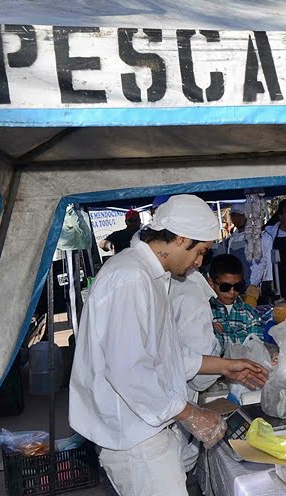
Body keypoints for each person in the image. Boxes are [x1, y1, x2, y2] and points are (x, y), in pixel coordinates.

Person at [69, 195, 269, 496]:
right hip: (135, 435)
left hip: (149, 428)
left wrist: (226, 366)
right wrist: (191, 413)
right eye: (199, 252)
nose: (199, 263)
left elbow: (167, 355)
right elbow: (128, 370)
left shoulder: (151, 275)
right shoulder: (130, 278)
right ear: (180, 238)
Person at [169, 268, 222, 475]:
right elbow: (201, 379)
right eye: (201, 251)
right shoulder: (189, 292)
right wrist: (222, 361)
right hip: (160, 431)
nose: (200, 261)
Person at [210, 254, 265, 354]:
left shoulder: (248, 312)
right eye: (225, 287)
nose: (232, 292)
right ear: (211, 284)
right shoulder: (206, 311)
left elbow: (258, 347)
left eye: (238, 286)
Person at [212, 202, 252, 283]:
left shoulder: (254, 237)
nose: (237, 218)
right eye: (234, 215)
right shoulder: (230, 239)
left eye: (240, 215)